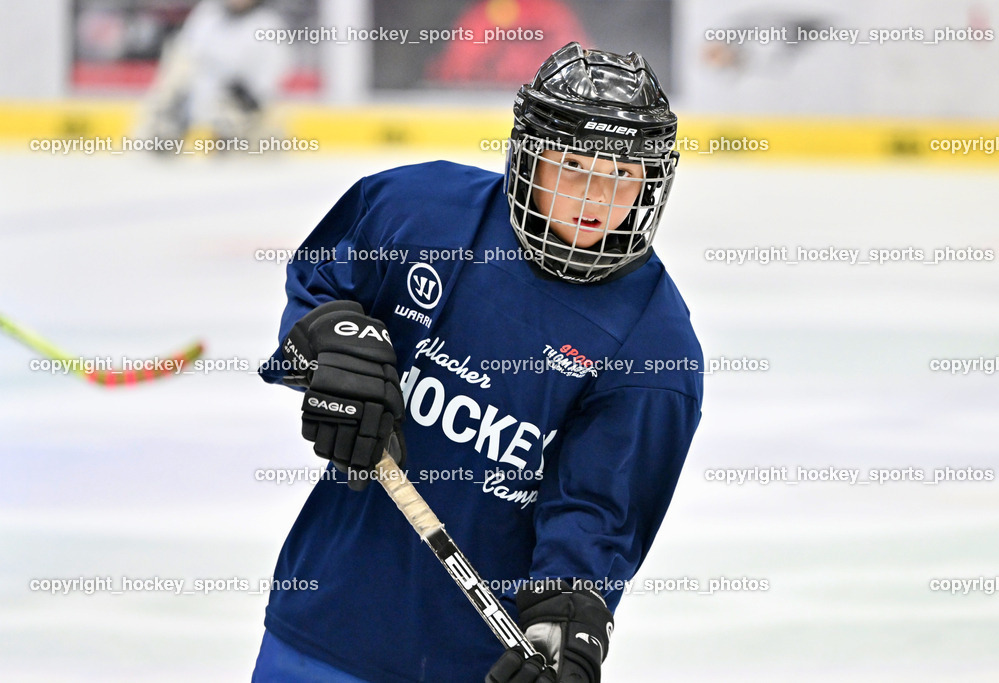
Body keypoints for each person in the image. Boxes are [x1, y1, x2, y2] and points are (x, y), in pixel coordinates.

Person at [253, 42, 703, 682]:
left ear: (652, 183)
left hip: (476, 666)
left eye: (620, 175)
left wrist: (566, 625)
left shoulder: (653, 349)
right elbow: (319, 282)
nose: (593, 198)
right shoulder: (419, 213)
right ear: (527, 157)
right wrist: (332, 339)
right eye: (572, 166)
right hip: (323, 623)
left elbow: (597, 515)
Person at [136, 0, 287, 144]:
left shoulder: (269, 24)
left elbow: (272, 74)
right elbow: (185, 53)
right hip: (198, 95)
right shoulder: (207, 13)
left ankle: (230, 146)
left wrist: (249, 95)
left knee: (239, 127)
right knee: (162, 115)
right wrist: (176, 92)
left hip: (240, 103)